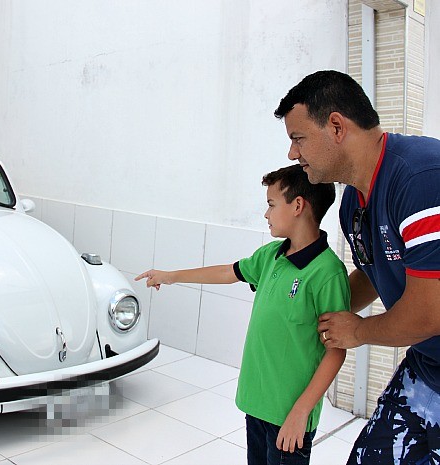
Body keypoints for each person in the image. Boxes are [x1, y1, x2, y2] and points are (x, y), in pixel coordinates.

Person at [274, 70, 440, 464]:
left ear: (335, 126)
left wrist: (359, 330)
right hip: (427, 364)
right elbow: (372, 270)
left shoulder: (421, 179)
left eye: (297, 139)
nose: (292, 155)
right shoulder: (354, 203)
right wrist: (318, 307)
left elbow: (430, 313)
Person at [136, 164, 349, 465]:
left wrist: (301, 412)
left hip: (289, 417)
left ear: (298, 205)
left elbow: (336, 351)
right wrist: (171, 276)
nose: (266, 214)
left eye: (271, 205)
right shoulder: (271, 256)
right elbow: (228, 272)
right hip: (257, 404)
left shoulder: (327, 273)